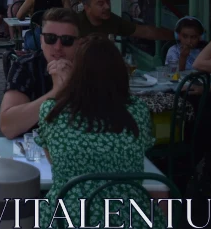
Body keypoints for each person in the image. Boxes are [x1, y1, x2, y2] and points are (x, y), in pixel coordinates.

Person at [36, 35, 160, 229]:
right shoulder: (138, 110)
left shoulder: (52, 111)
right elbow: (139, 152)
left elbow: (55, 160)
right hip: (130, 217)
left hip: (68, 217)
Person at [0, 8, 80, 139]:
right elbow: (8, 126)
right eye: (50, 38)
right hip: (34, 153)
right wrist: (56, 93)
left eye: (67, 40)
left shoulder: (90, 69)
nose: (58, 47)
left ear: (78, 43)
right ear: (41, 40)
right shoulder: (26, 66)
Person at [78, 0, 173, 40]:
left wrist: (177, 35)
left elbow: (145, 31)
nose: (107, 7)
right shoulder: (74, 24)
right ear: (87, 7)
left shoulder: (112, 20)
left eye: (108, 1)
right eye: (100, 4)